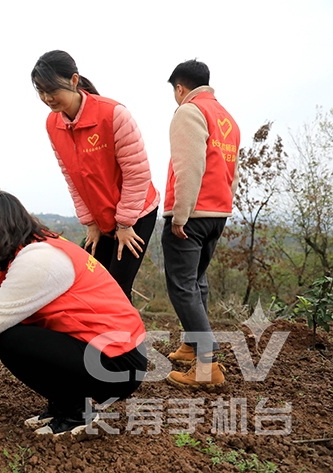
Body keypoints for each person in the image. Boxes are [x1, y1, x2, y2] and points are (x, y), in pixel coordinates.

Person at [0, 192, 147, 436]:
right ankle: (63, 406)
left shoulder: (39, 260)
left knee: (15, 342)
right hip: (112, 352)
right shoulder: (36, 250)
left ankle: (77, 414)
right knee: (16, 333)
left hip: (118, 363)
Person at [31, 50, 160, 301]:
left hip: (136, 212)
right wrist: (91, 222)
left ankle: (127, 341)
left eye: (52, 90)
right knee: (88, 281)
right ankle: (95, 340)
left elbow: (138, 173)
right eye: (40, 91)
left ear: (74, 80)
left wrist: (124, 224)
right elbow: (71, 176)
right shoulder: (53, 124)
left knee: (116, 289)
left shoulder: (112, 114)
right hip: (101, 217)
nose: (47, 98)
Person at [161, 59, 240, 389]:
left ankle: (207, 366)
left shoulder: (189, 112)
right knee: (197, 282)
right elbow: (230, 172)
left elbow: (188, 167)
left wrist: (181, 215)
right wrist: (223, 208)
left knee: (181, 286)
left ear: (180, 88)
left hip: (191, 215)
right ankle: (192, 346)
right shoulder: (227, 119)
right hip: (217, 213)